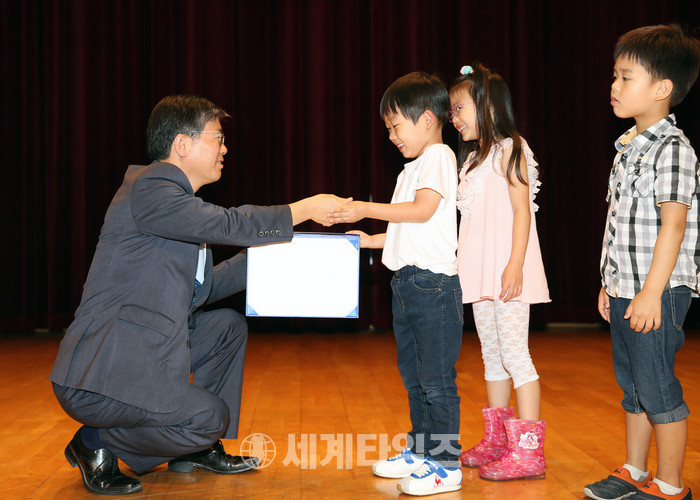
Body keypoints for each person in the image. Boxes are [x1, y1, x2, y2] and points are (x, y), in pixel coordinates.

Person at [49, 94, 348, 495]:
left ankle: (193, 449)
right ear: (182, 144)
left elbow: (201, 292)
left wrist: (274, 258)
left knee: (225, 326)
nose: (225, 148)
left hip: (141, 357)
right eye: (218, 138)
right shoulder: (150, 186)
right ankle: (94, 441)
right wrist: (304, 208)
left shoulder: (179, 207)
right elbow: (228, 224)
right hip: (103, 375)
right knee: (209, 418)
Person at [327, 72, 463, 496]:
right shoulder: (415, 167)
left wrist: (363, 210)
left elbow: (421, 211)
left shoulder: (438, 156)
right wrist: (369, 240)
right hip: (407, 284)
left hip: (433, 286)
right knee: (416, 377)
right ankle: (421, 451)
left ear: (427, 119)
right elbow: (410, 227)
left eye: (395, 126)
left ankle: (447, 464)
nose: (391, 136)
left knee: (436, 380)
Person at [583, 24, 700, 500]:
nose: (614, 85)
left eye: (626, 77)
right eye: (614, 75)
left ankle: (671, 485)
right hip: (627, 286)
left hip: (658, 290)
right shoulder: (627, 148)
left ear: (662, 88)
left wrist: (652, 292)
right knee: (632, 386)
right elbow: (619, 224)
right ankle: (634, 469)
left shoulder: (673, 149)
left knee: (657, 387)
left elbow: (673, 226)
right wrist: (609, 282)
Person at [448, 62, 550, 481]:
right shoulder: (473, 159)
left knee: (515, 355)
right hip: (479, 272)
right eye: (452, 110)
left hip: (508, 271)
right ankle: (498, 440)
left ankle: (528, 452)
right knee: (491, 356)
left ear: (488, 106)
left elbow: (522, 211)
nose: (454, 117)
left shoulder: (512, 148)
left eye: (459, 108)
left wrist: (514, 264)